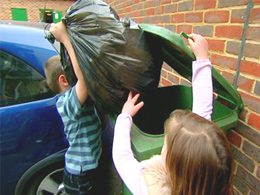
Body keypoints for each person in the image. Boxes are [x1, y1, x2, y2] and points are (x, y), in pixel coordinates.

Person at [112, 34, 233, 195]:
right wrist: (202, 59)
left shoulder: (149, 187)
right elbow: (203, 110)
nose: (163, 145)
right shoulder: (210, 182)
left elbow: (122, 158)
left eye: (166, 144)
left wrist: (124, 116)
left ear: (173, 163)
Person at [45, 21, 103, 194]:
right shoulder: (67, 103)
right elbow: (84, 77)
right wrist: (65, 39)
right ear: (63, 80)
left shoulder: (74, 98)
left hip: (87, 170)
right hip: (79, 176)